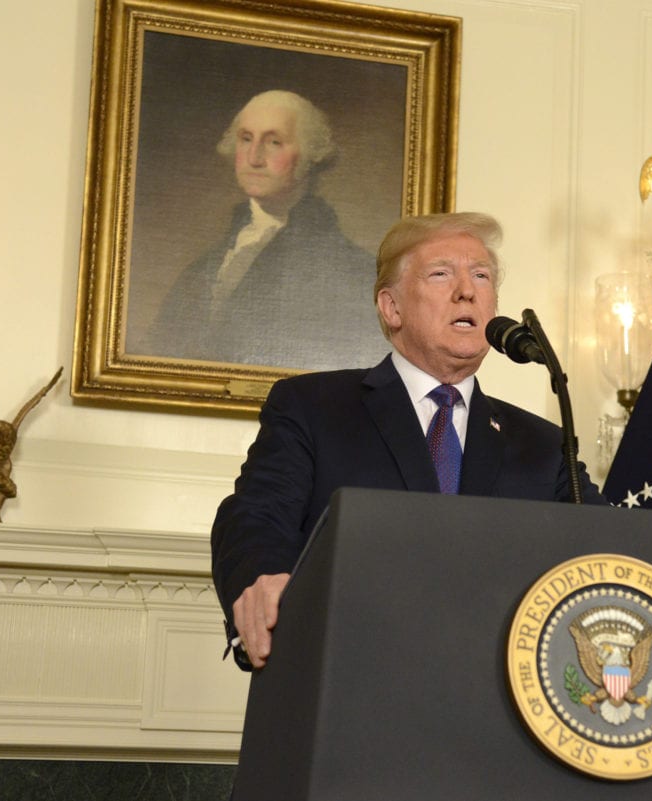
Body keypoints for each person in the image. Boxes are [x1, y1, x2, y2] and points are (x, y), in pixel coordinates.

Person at [210, 212, 605, 670]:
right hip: (353, 678)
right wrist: (261, 582)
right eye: (441, 273)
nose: (467, 290)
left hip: (495, 696)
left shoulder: (541, 444)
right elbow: (256, 515)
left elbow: (608, 547)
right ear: (391, 307)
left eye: (481, 275)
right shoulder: (314, 407)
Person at [147, 90, 384, 369]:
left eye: (274, 142)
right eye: (246, 139)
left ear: (310, 155)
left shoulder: (350, 269)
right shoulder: (207, 265)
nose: (254, 158)